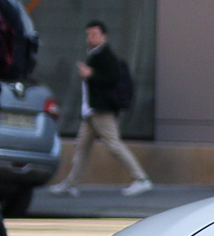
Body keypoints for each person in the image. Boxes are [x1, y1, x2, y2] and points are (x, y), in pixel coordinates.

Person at [48, 21, 151, 195]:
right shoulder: (96, 54)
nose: (90, 38)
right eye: (88, 35)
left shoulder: (105, 55)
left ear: (104, 37)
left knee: (113, 145)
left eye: (94, 35)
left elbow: (113, 78)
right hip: (91, 111)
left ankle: (141, 179)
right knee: (82, 147)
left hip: (101, 111)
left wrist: (91, 74)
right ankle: (70, 184)